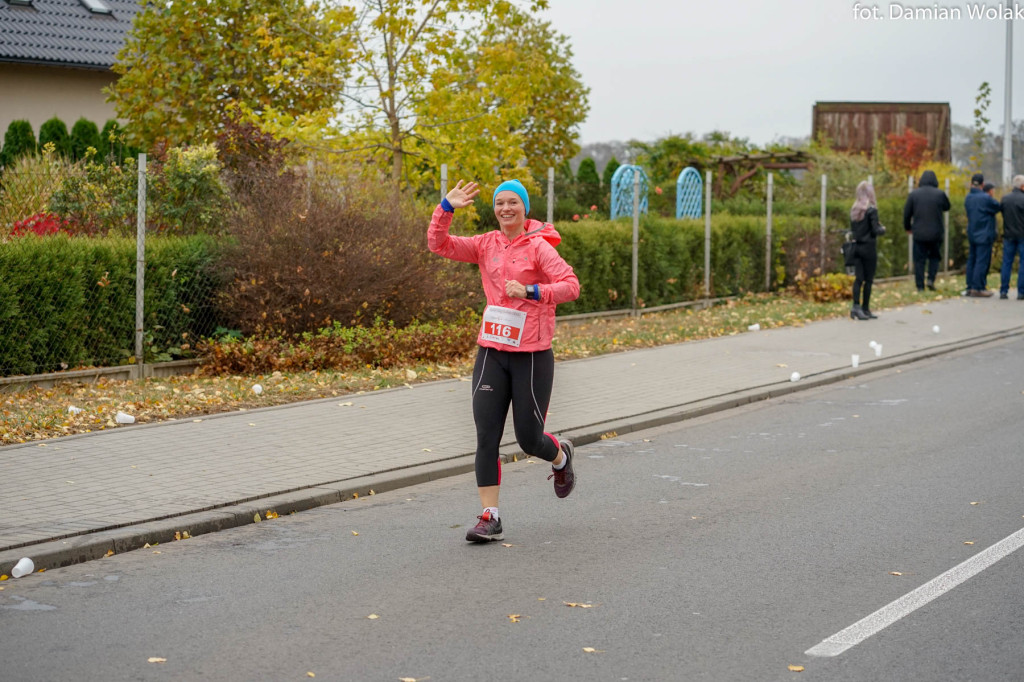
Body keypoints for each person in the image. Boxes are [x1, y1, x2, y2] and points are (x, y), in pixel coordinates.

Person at [428, 179, 581, 543]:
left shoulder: (540, 247)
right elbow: (439, 244)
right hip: (492, 351)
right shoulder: (485, 244)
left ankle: (560, 457)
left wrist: (531, 290)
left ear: (524, 208)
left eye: (513, 202)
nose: (506, 208)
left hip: (531, 355)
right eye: (500, 203)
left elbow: (571, 286)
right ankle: (489, 516)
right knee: (486, 436)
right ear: (494, 209)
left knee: (529, 440)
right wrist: (445, 209)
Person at [903, 169, 950, 291]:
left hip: (919, 233)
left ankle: (920, 286)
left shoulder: (914, 195)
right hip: (936, 232)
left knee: (919, 260)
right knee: (934, 257)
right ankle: (930, 279)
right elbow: (947, 207)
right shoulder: (940, 194)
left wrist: (907, 227)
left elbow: (907, 213)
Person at [848, 181, 886, 320]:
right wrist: (882, 229)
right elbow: (875, 230)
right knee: (868, 280)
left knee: (858, 279)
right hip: (869, 248)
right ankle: (866, 308)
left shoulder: (854, 210)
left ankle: (855, 308)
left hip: (856, 248)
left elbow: (855, 230)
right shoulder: (871, 210)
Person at [963, 173, 1001, 297]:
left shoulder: (968, 198)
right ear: (983, 184)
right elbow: (997, 207)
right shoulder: (985, 198)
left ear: (971, 184)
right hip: (984, 233)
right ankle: (978, 287)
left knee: (972, 260)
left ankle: (970, 285)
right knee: (982, 261)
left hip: (972, 232)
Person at [999, 174, 1024, 300]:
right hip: (1022, 235)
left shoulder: (1005, 199)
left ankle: (1003, 290)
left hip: (1008, 234)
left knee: (1007, 262)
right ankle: (1021, 292)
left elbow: (1002, 212)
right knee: (1023, 263)